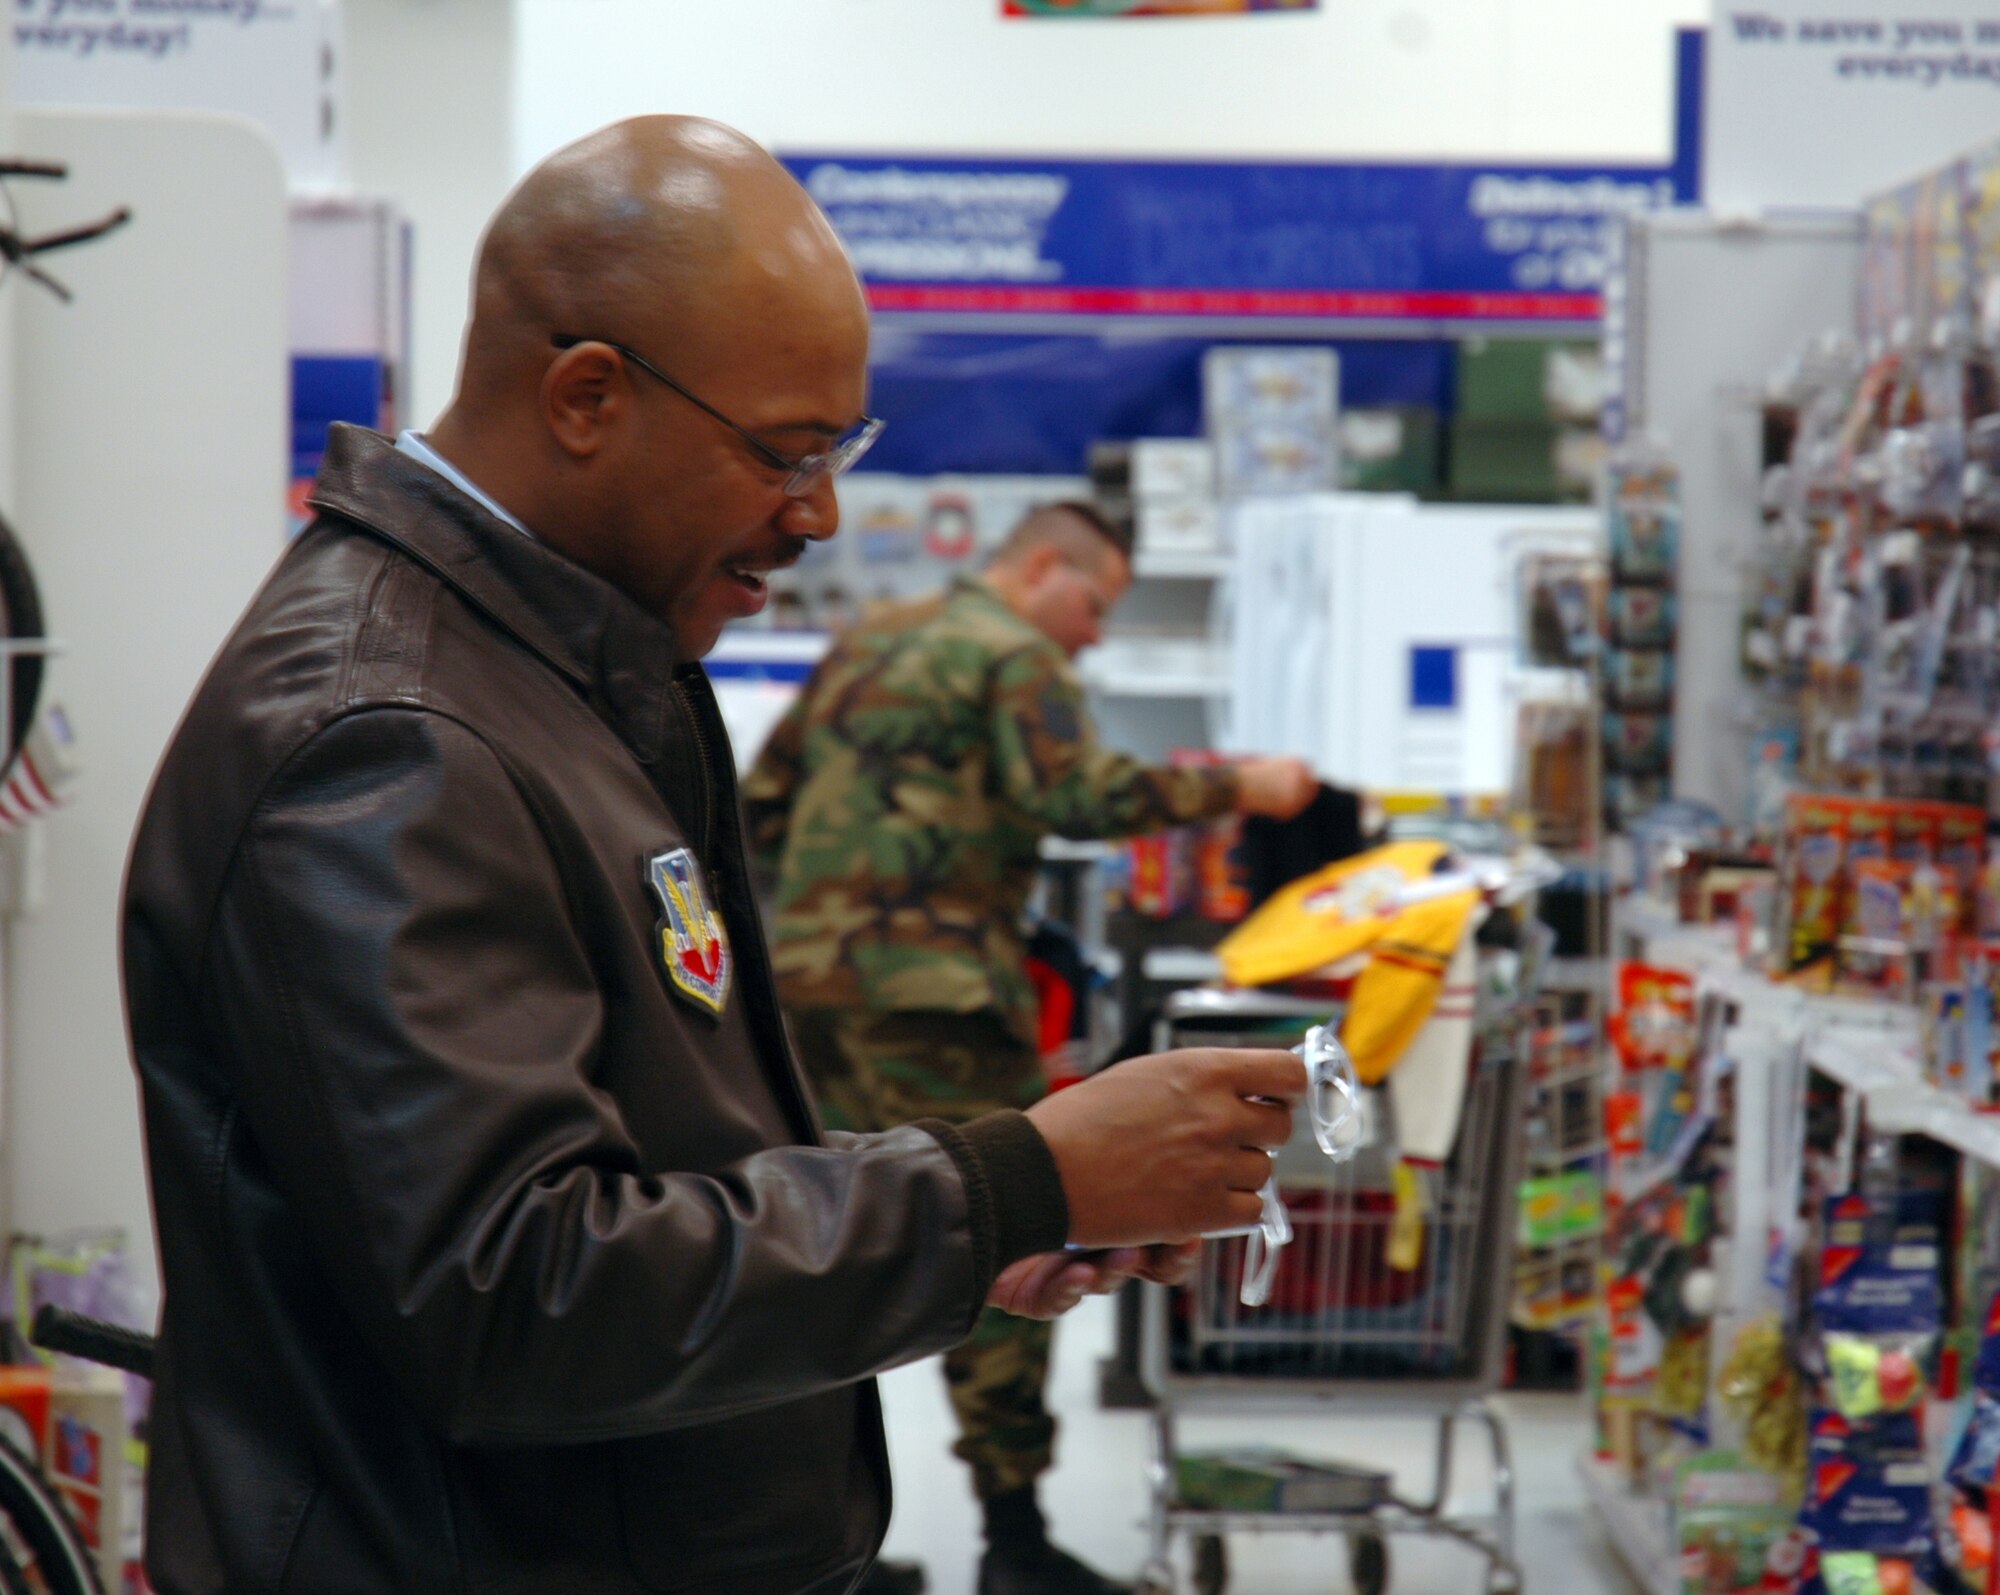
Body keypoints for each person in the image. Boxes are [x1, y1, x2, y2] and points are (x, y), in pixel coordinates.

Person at [120, 117, 1307, 1595]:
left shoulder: (563, 675)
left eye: (841, 452)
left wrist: (960, 1234)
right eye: (785, 453)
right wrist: (1000, 1184)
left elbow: (645, 1166)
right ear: (588, 395)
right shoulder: (387, 739)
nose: (818, 514)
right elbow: (519, 1292)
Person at [743, 506, 1318, 1595]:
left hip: (802, 999)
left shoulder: (872, 634)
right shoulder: (1015, 653)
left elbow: (759, 802)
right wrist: (1236, 785)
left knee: (805, 1237)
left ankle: (802, 1544)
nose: (1092, 635)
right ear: (1042, 566)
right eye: (1093, 605)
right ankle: (1012, 1539)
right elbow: (1077, 796)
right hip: (943, 1005)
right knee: (1002, 1226)